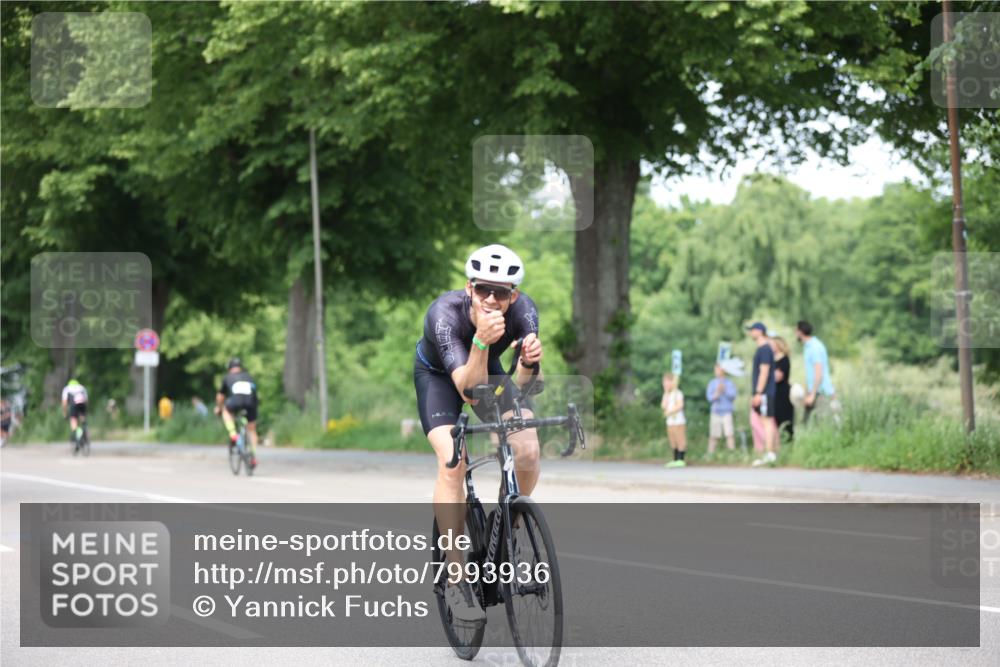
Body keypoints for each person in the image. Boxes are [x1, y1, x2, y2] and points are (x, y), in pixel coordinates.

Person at [413, 244, 542, 626]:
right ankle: (456, 576)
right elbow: (468, 391)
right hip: (441, 378)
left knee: (528, 445)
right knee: (454, 459)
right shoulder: (444, 315)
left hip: (489, 370)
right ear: (469, 288)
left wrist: (529, 363)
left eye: (500, 292)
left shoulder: (525, 312)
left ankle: (511, 524)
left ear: (513, 296)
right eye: (483, 289)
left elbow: (524, 387)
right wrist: (482, 340)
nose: (491, 298)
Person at [215, 358, 259, 469]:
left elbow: (220, 397)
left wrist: (219, 408)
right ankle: (253, 456)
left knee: (226, 411)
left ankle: (234, 434)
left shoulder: (228, 377)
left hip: (235, 402)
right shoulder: (249, 376)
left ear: (230, 368)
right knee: (252, 429)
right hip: (251, 404)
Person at [795, 320, 839, 425]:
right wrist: (808, 392)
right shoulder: (808, 347)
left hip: (821, 392)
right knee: (805, 423)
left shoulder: (815, 347)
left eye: (796, 331)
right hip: (814, 391)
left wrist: (812, 394)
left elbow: (819, 373)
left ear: (800, 332)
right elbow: (810, 374)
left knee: (824, 424)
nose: (795, 333)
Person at [746, 322, 777, 466]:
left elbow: (764, 372)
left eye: (752, 330)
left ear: (759, 331)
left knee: (767, 421)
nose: (751, 333)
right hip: (763, 392)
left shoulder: (764, 349)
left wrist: (758, 392)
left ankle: (770, 453)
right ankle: (767, 452)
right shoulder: (763, 349)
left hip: (764, 392)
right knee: (765, 420)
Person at [705, 363, 737, 455]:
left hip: (727, 411)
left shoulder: (729, 383)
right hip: (715, 411)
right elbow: (709, 398)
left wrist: (725, 390)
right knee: (714, 435)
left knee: (729, 434)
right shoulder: (712, 383)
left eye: (718, 369)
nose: (716, 371)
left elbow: (733, 396)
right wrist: (717, 392)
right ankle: (710, 454)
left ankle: (732, 454)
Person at [770, 336, 794, 442]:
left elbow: (778, 377)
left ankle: (788, 442)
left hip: (783, 393)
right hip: (774, 393)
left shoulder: (784, 359)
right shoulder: (772, 359)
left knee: (785, 419)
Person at [662, 372, 687, 468]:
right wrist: (666, 393)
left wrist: (671, 411)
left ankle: (681, 459)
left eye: (668, 382)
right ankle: (675, 459)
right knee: (673, 440)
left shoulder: (678, 393)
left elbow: (680, 405)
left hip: (678, 421)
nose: (665, 384)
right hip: (670, 422)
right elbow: (663, 406)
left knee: (680, 439)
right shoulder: (667, 395)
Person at [61, 378, 88, 445]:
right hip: (82, 404)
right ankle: (84, 426)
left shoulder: (67, 388)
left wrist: (64, 413)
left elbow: (64, 403)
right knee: (82, 417)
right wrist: (86, 411)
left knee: (73, 419)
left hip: (74, 404)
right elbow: (86, 400)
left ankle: (78, 432)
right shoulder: (82, 387)